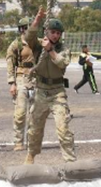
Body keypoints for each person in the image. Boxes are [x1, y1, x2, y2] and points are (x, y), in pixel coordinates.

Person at [24, 8, 75, 164]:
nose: (55, 35)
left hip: (57, 92)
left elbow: (62, 63)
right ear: (46, 32)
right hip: (41, 91)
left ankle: (70, 161)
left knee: (63, 128)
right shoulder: (38, 45)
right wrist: (37, 19)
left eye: (58, 33)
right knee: (34, 128)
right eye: (53, 32)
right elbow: (29, 36)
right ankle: (31, 155)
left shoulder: (63, 49)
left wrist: (50, 50)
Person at [5, 17, 36, 151]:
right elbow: (10, 64)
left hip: (35, 79)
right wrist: (12, 83)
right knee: (20, 113)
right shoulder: (15, 45)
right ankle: (18, 141)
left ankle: (32, 141)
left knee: (35, 114)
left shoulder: (38, 43)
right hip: (21, 78)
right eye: (27, 28)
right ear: (22, 29)